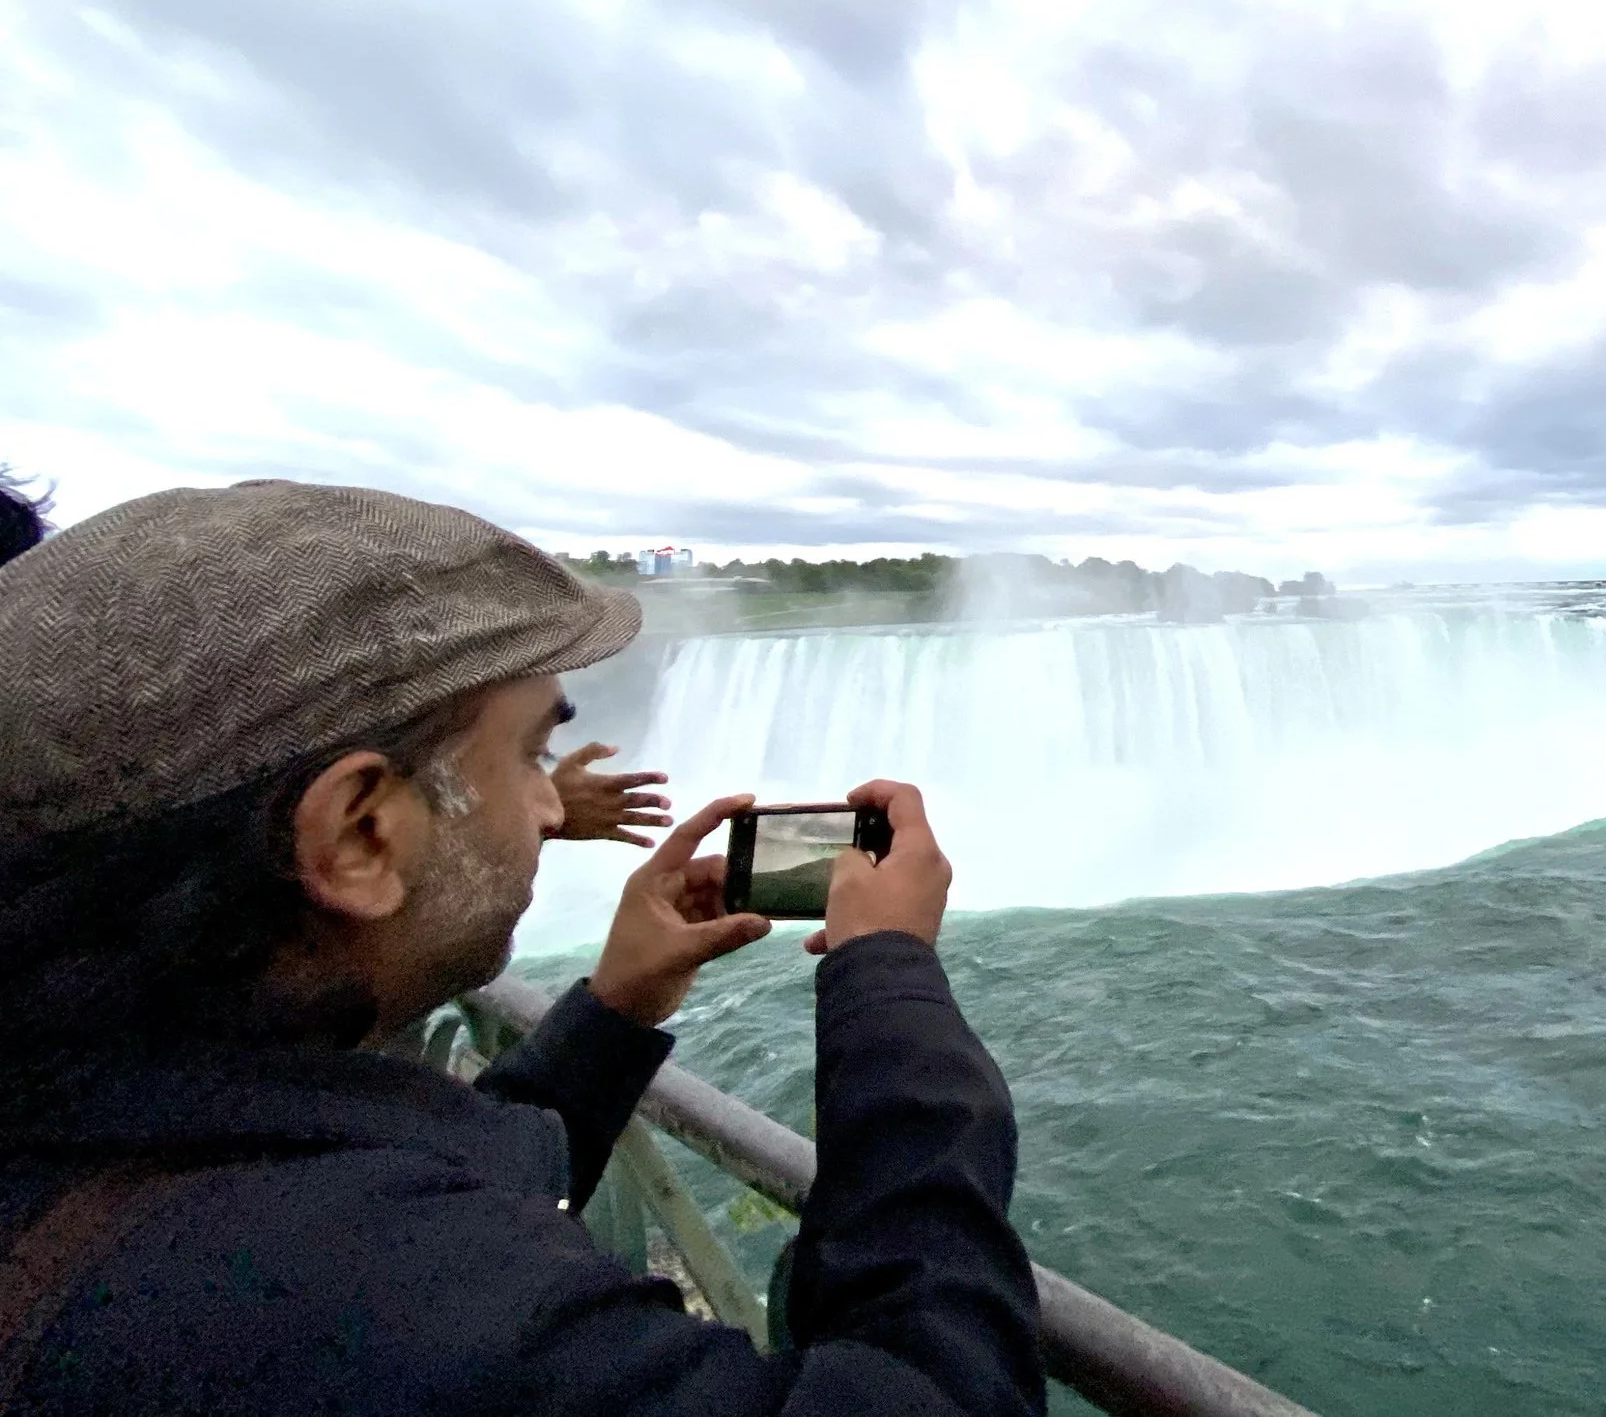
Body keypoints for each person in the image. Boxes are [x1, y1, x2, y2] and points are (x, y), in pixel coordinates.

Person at [0, 480, 1043, 1417]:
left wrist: (615, 1012)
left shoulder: (123, 1142)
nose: (552, 807)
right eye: (531, 753)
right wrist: (887, 977)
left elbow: (397, 1181)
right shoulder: (366, 1311)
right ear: (360, 832)